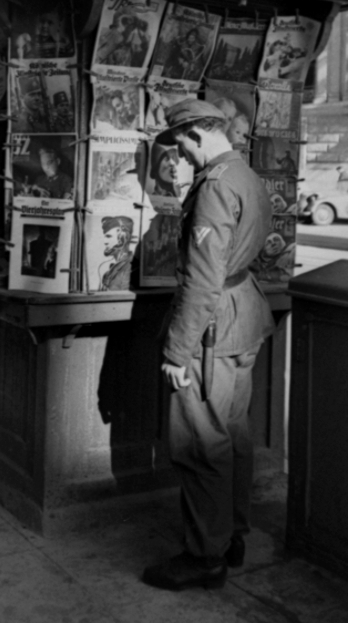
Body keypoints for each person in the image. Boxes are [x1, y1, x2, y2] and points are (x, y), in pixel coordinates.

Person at [141, 98, 274, 591]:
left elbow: (201, 280)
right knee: (233, 436)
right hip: (243, 316)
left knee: (200, 443)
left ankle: (204, 556)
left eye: (179, 147)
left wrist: (177, 351)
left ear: (197, 135)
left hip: (211, 327)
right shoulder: (246, 175)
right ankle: (232, 534)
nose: (180, 158)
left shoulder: (214, 187)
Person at [98, 215, 134, 291]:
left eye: (109, 236)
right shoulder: (112, 269)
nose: (105, 242)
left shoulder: (129, 268)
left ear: (123, 238)